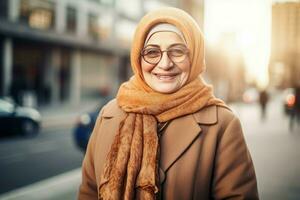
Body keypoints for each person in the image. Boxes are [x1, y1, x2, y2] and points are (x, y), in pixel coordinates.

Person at [78, 7, 258, 200]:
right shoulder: (109, 115)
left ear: (195, 57)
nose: (165, 63)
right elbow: (89, 192)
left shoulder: (223, 124)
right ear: (138, 58)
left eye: (178, 51)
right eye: (152, 52)